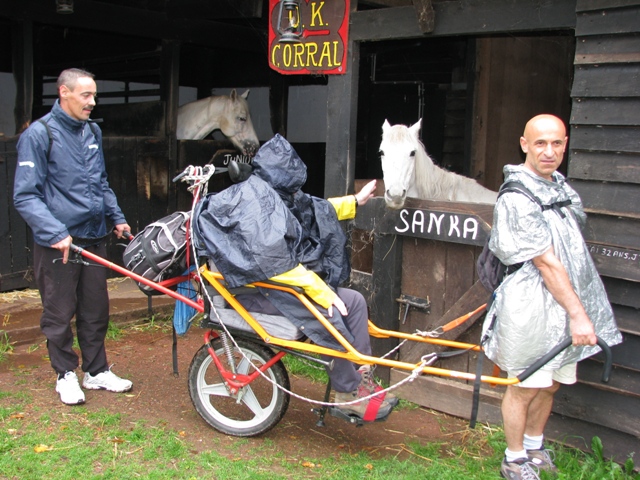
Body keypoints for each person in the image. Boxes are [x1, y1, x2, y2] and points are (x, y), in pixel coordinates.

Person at [195, 134, 397, 421]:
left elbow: (313, 209)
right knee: (329, 309)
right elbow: (274, 262)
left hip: (280, 286)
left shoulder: (278, 191)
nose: (296, 191)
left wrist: (355, 201)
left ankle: (360, 376)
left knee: (353, 301)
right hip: (256, 290)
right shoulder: (255, 201)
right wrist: (320, 290)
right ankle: (347, 392)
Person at [481, 114, 622, 480]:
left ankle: (534, 448)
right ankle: (513, 459)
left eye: (556, 143)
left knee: (552, 381)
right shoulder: (518, 195)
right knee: (527, 384)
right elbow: (546, 262)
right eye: (540, 143)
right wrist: (579, 315)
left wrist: (574, 309)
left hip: (562, 303)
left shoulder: (558, 185)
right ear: (524, 144)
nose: (549, 151)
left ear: (565, 144)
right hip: (532, 305)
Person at [13, 68, 133, 406]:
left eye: (94, 95)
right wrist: (55, 232)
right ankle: (65, 374)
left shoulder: (91, 131)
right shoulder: (39, 135)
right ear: (64, 92)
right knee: (59, 310)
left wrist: (117, 218)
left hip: (94, 238)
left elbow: (101, 182)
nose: (92, 102)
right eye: (86, 95)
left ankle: (95, 371)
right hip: (60, 244)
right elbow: (25, 195)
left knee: (96, 309)